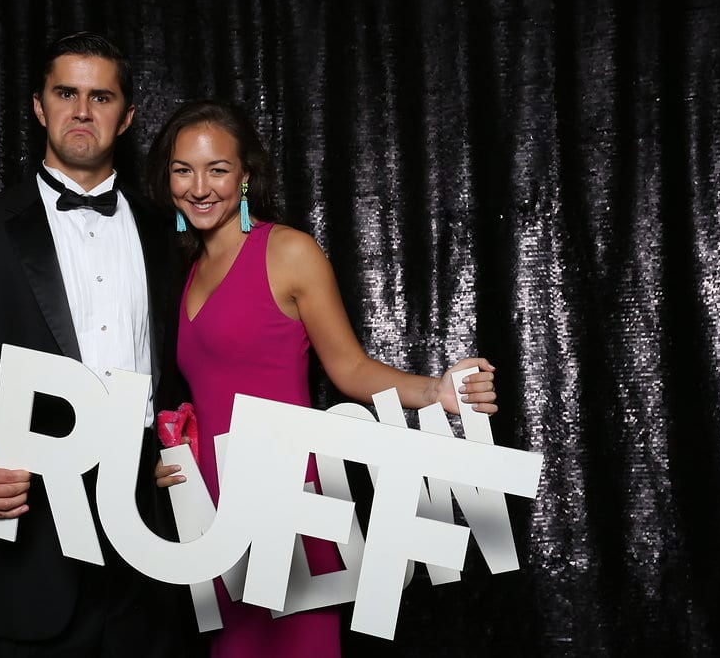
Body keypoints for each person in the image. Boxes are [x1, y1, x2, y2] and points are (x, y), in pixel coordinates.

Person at [147, 99, 498, 657]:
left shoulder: (287, 251)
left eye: (218, 169)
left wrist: (435, 391)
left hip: (288, 495)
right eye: (183, 170)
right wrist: (176, 459)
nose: (200, 187)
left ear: (245, 176)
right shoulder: (185, 271)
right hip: (212, 508)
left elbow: (349, 368)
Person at [0, 32, 198, 657]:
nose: (82, 111)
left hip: (152, 552)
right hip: (29, 552)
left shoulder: (170, 233)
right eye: (65, 93)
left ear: (127, 116)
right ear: (38, 106)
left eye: (101, 97)